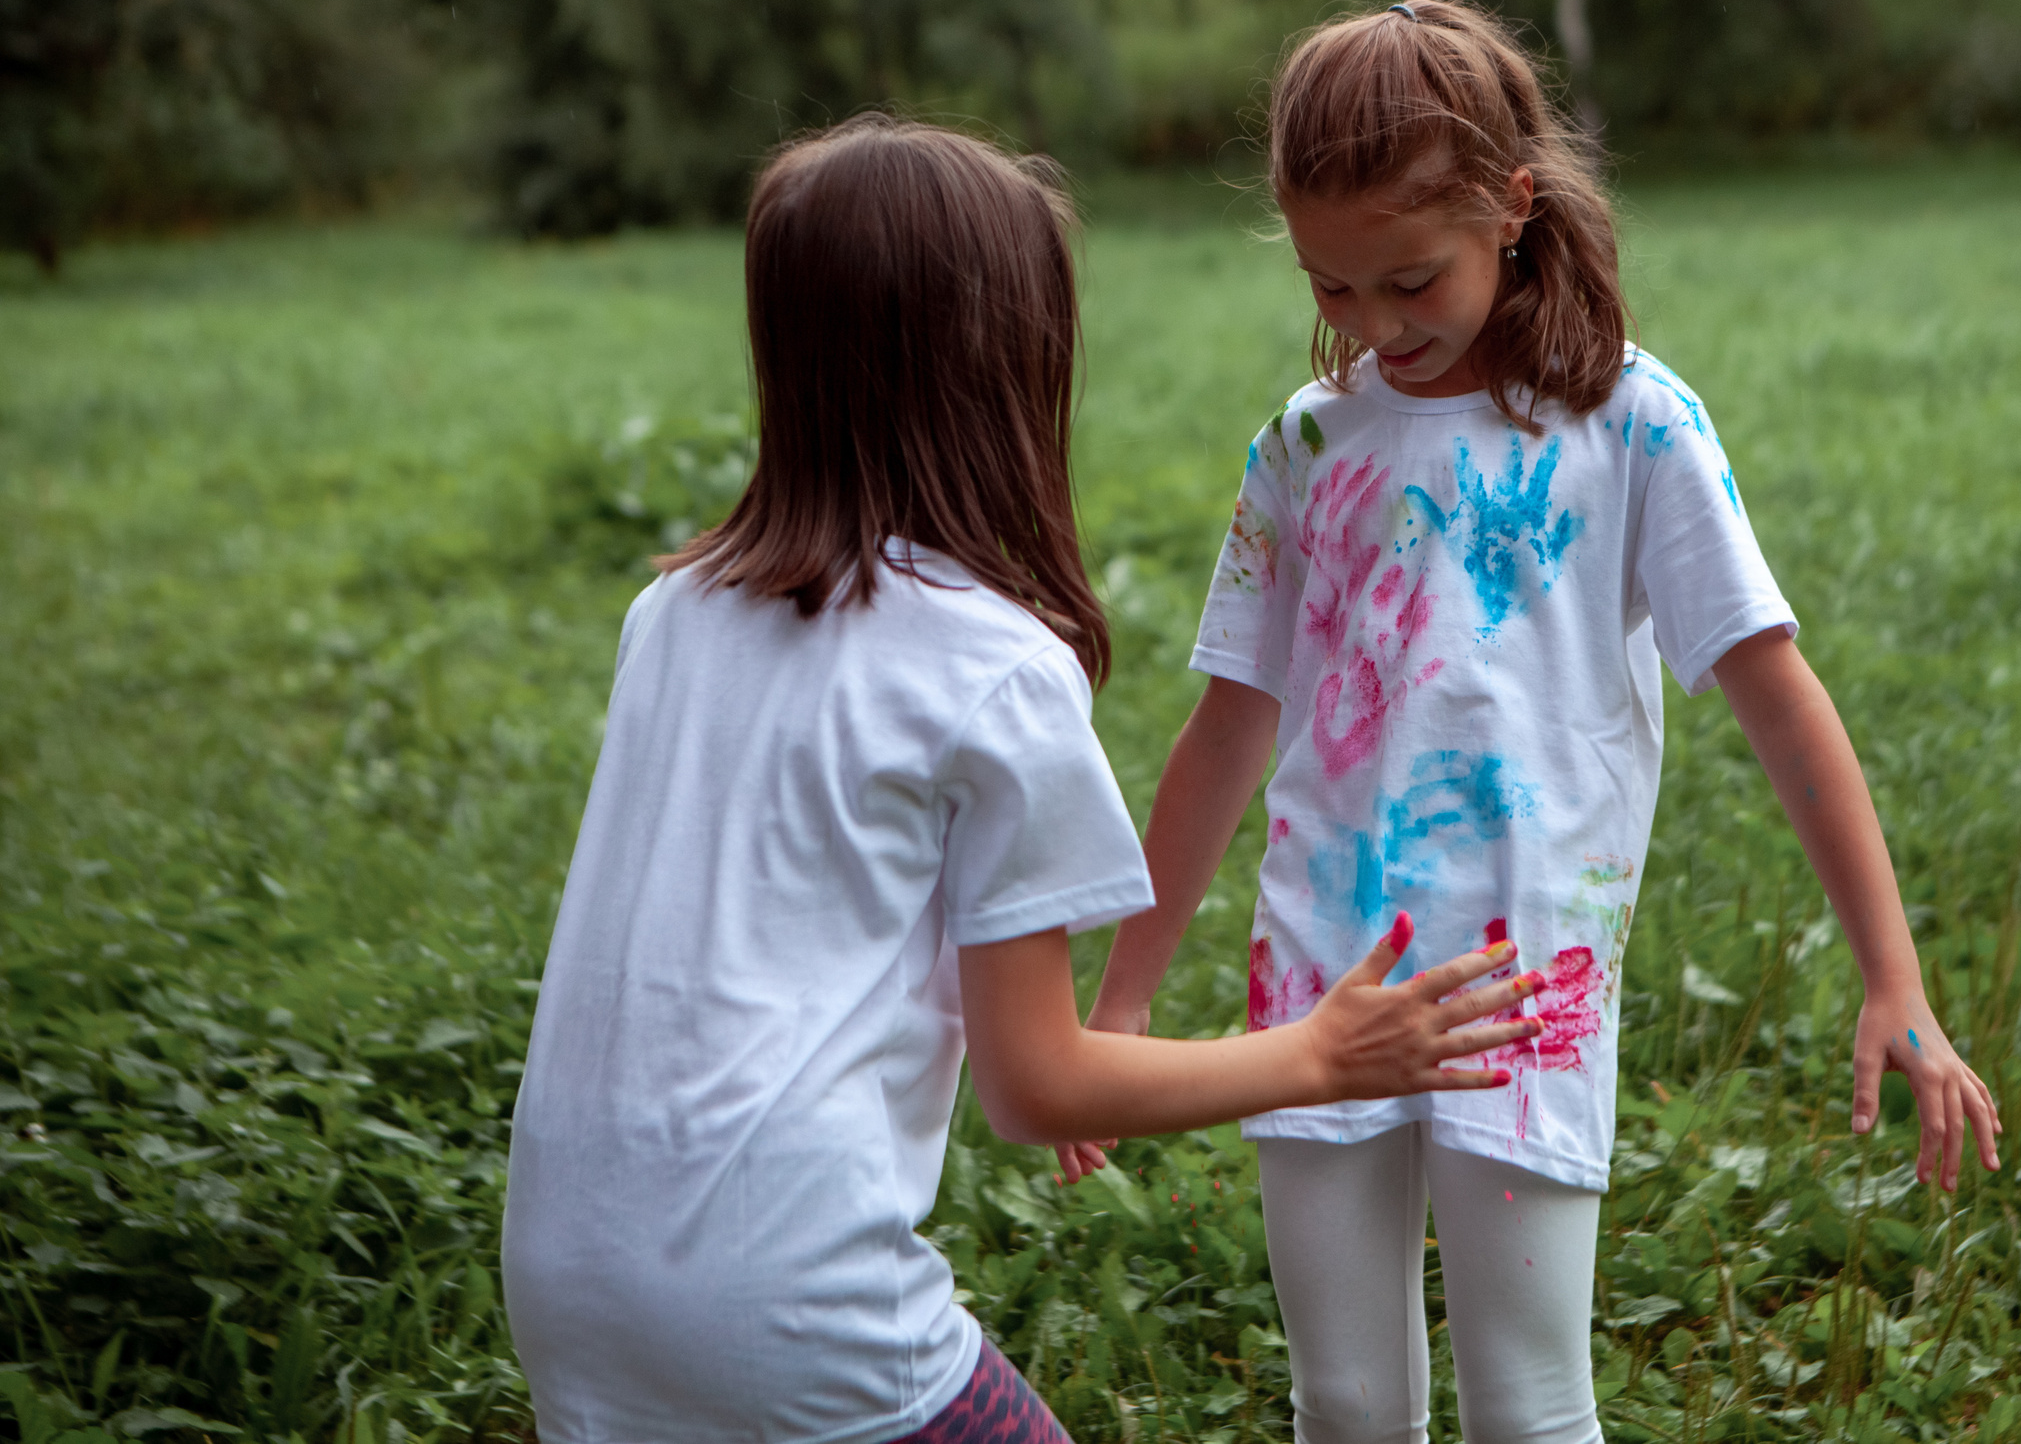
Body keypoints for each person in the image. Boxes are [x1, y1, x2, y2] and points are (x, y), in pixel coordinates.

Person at [499, 114, 1548, 1444]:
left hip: (561, 1289)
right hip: (791, 1306)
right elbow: (1037, 1086)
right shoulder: (990, 668)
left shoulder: (672, 617)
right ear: (1007, 363)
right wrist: (1320, 1056)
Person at [1055, 0, 2005, 1444]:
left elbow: (1780, 703)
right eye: (1333, 288)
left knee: (1531, 1400)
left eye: (1408, 280)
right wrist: (1123, 1001)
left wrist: (1895, 977)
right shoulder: (1305, 449)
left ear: (1512, 209)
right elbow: (1226, 735)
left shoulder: (1636, 427)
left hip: (1525, 985)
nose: (1374, 329)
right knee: (1345, 1405)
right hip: (1324, 971)